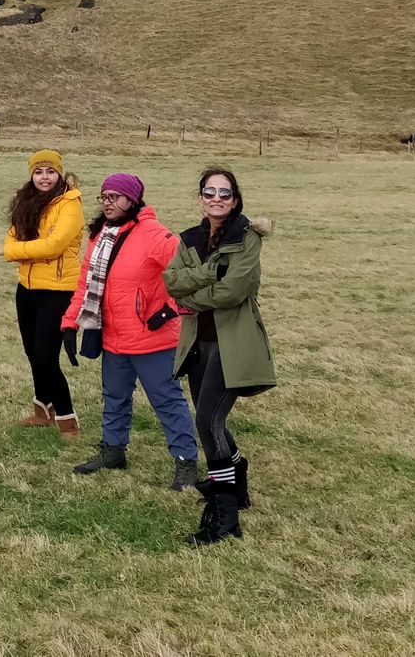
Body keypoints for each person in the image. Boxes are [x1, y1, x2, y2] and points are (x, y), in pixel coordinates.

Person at [59, 173, 199, 490]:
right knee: (115, 397)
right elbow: (85, 284)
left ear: (132, 200)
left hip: (152, 340)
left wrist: (171, 309)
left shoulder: (152, 234)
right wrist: (70, 321)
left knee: (167, 401)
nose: (108, 203)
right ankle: (113, 451)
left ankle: (186, 464)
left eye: (115, 197)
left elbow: (188, 273)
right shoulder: (101, 236)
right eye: (104, 197)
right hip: (114, 337)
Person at [166, 166, 276, 545]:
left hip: (234, 344)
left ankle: (223, 515)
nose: (217, 198)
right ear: (200, 198)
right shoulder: (190, 239)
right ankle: (237, 473)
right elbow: (172, 281)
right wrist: (213, 272)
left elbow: (235, 291)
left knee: (208, 423)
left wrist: (192, 294)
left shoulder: (247, 238)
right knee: (210, 419)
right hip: (199, 342)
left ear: (235, 199)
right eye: (210, 192)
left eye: (224, 193)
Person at [0, 149, 85, 439]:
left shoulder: (70, 204)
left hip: (58, 291)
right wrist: (18, 249)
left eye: (50, 171)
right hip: (27, 288)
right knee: (32, 352)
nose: (44, 177)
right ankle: (42, 410)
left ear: (59, 173)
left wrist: (11, 252)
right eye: (38, 172)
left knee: (47, 357)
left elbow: (53, 246)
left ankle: (67, 419)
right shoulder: (25, 201)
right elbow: (15, 235)